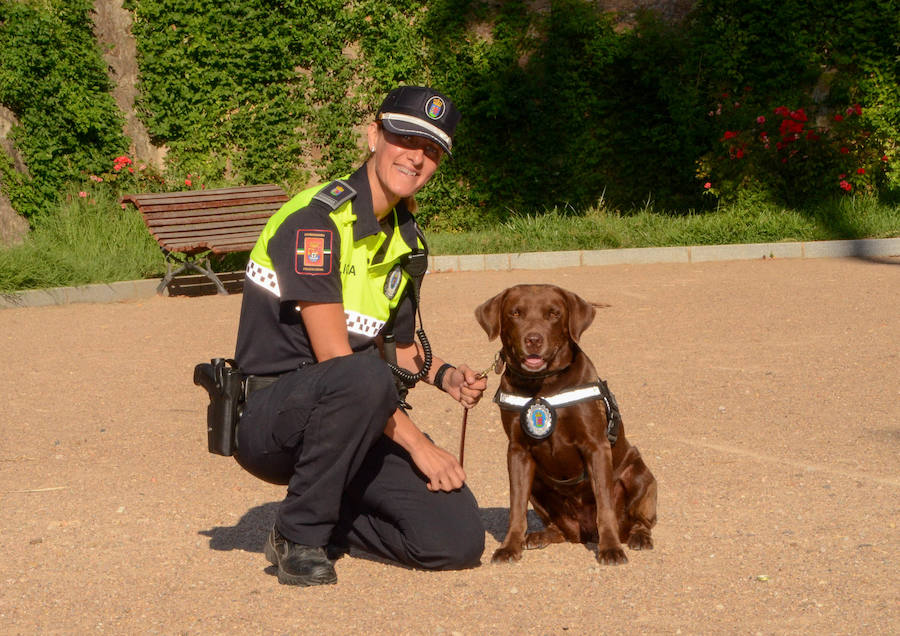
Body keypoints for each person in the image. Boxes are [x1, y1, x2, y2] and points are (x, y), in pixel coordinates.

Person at [232, 86, 487, 587]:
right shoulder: (317, 222)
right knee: (361, 377)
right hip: (271, 420)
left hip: (354, 411)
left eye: (432, 150)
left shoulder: (406, 239)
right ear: (374, 136)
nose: (416, 157)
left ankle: (329, 510)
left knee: (455, 539)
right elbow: (336, 358)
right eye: (405, 138)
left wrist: (446, 376)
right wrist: (418, 446)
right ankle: (298, 534)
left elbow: (397, 348)